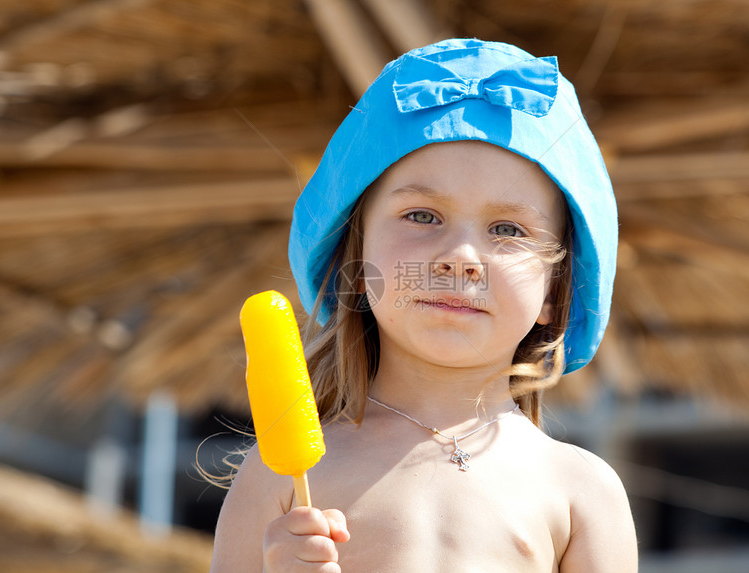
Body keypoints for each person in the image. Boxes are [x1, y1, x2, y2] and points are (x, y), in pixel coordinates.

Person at [211, 38, 637, 572]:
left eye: (507, 229)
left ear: (555, 291)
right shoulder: (277, 478)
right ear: (355, 256)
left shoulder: (582, 492)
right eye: (422, 216)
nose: (460, 258)